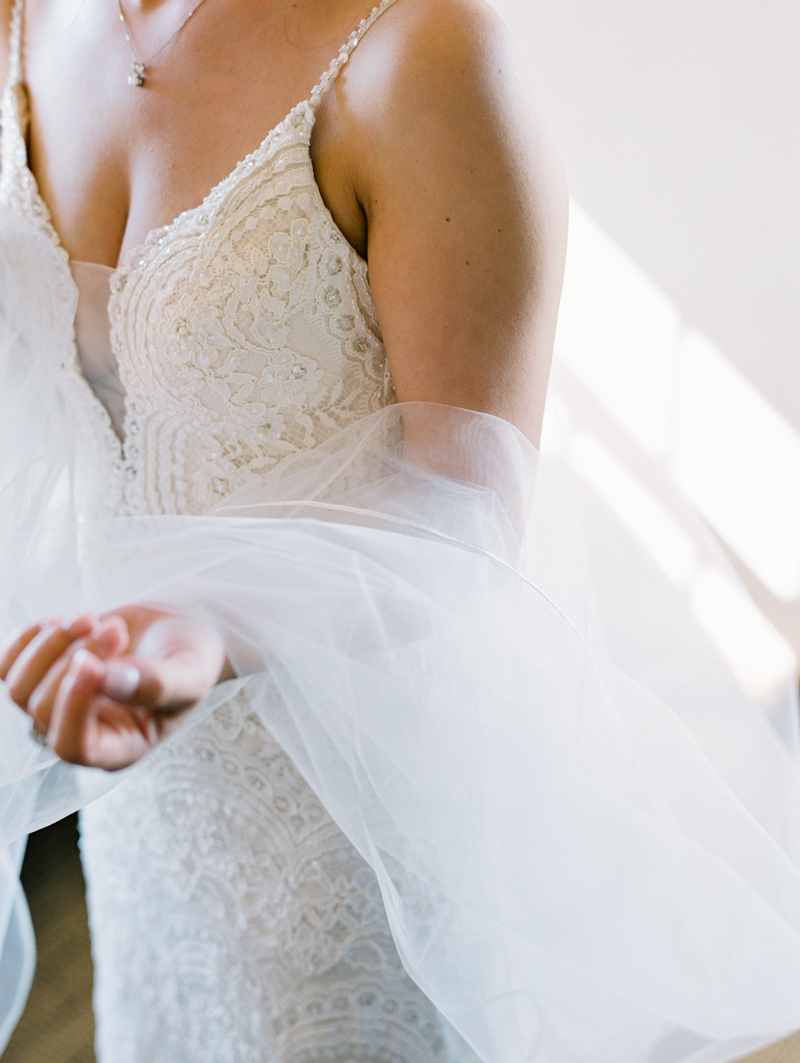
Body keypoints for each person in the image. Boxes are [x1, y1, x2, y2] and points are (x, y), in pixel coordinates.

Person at [3, 0, 800, 1061]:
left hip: (362, 831)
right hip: (145, 803)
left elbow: (462, 506)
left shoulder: (419, 46)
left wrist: (207, 619)